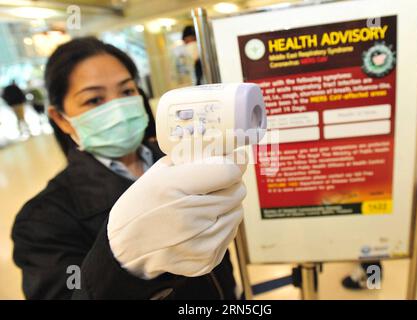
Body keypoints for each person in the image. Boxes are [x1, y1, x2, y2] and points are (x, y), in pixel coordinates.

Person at [11, 37, 246, 300]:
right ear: (60, 119)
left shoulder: (180, 162)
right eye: (94, 100)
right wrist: (121, 263)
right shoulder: (42, 221)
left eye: (126, 92)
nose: (118, 108)